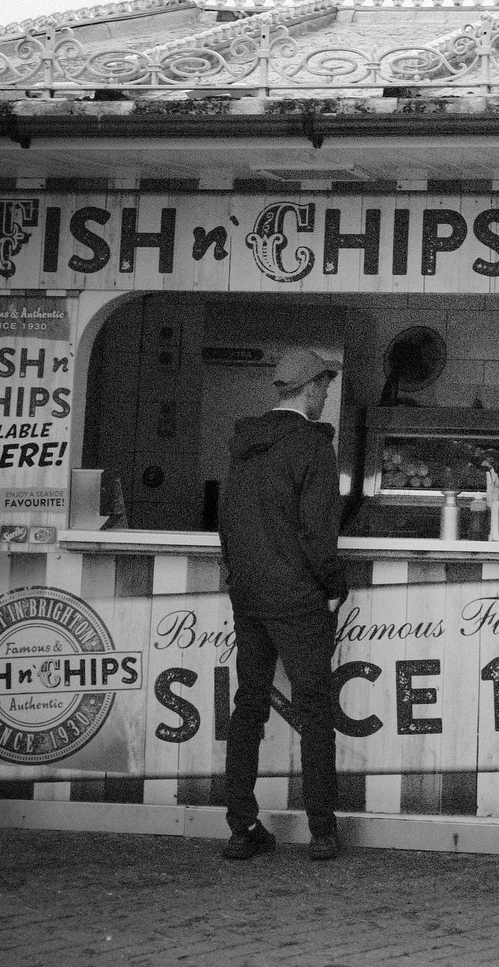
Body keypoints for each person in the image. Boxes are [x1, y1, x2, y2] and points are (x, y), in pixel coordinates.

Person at [218, 346, 347, 863]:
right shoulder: (313, 448)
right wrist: (333, 584)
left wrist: (241, 579)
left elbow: (228, 521)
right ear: (313, 388)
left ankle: (242, 827)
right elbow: (319, 533)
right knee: (315, 709)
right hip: (296, 599)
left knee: (248, 707)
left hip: (249, 597)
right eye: (324, 390)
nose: (325, 399)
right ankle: (321, 831)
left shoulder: (244, 444)